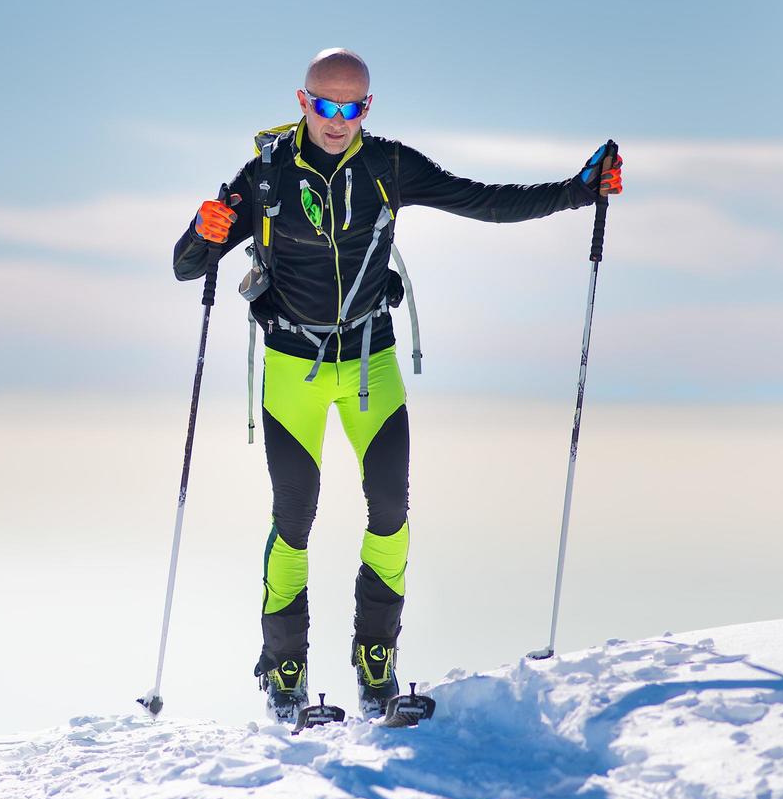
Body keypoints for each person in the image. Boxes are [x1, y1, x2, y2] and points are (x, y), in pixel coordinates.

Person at [170, 48, 623, 722]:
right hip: (292, 368)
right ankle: (284, 669)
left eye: (351, 107)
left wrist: (578, 191)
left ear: (368, 108)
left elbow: (484, 202)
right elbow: (187, 265)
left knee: (390, 509)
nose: (337, 119)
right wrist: (202, 232)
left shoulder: (388, 166)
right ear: (303, 102)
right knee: (294, 518)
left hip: (369, 361)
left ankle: (375, 662)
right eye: (325, 105)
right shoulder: (264, 174)